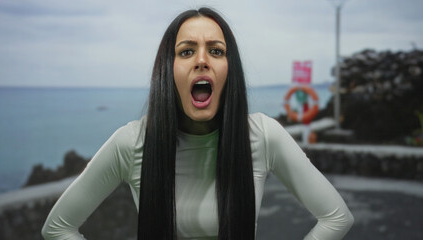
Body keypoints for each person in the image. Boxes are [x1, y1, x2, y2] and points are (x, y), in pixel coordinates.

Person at [42, 7, 354, 240]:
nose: (201, 59)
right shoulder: (133, 142)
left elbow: (337, 217)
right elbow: (57, 228)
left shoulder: (261, 135)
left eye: (216, 51)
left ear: (230, 69)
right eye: (187, 51)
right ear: (169, 69)